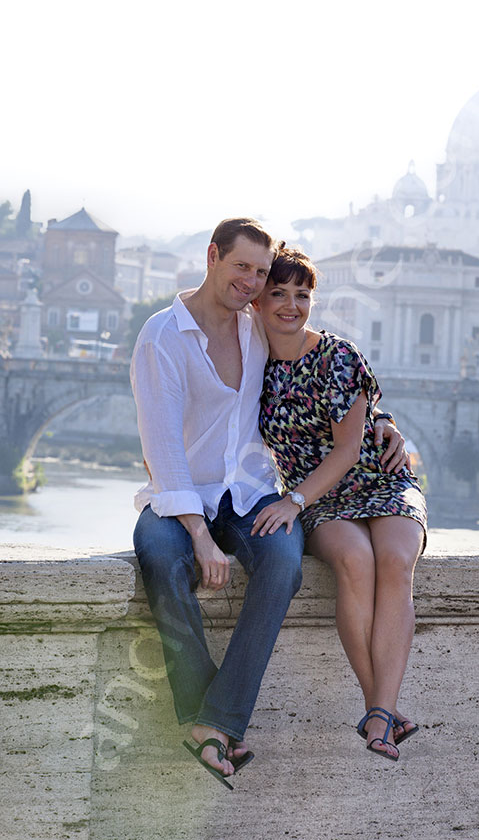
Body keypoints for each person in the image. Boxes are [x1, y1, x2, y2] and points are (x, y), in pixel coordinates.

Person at [130, 218, 405, 789]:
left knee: (281, 564)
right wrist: (200, 537)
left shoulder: (257, 326)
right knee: (159, 556)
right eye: (243, 269)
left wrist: (381, 423)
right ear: (213, 257)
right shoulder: (162, 337)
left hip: (252, 493)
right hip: (182, 496)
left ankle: (214, 722)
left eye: (261, 272)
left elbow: (322, 372)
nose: (254, 283)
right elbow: (163, 451)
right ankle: (211, 720)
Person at [251, 247, 427, 763]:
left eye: (302, 295)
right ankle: (383, 712)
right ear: (257, 301)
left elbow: (351, 448)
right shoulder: (248, 359)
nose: (291, 305)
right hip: (324, 498)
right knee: (355, 561)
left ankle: (379, 712)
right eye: (278, 294)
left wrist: (292, 501)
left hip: (379, 478)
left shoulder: (338, 356)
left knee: (395, 562)